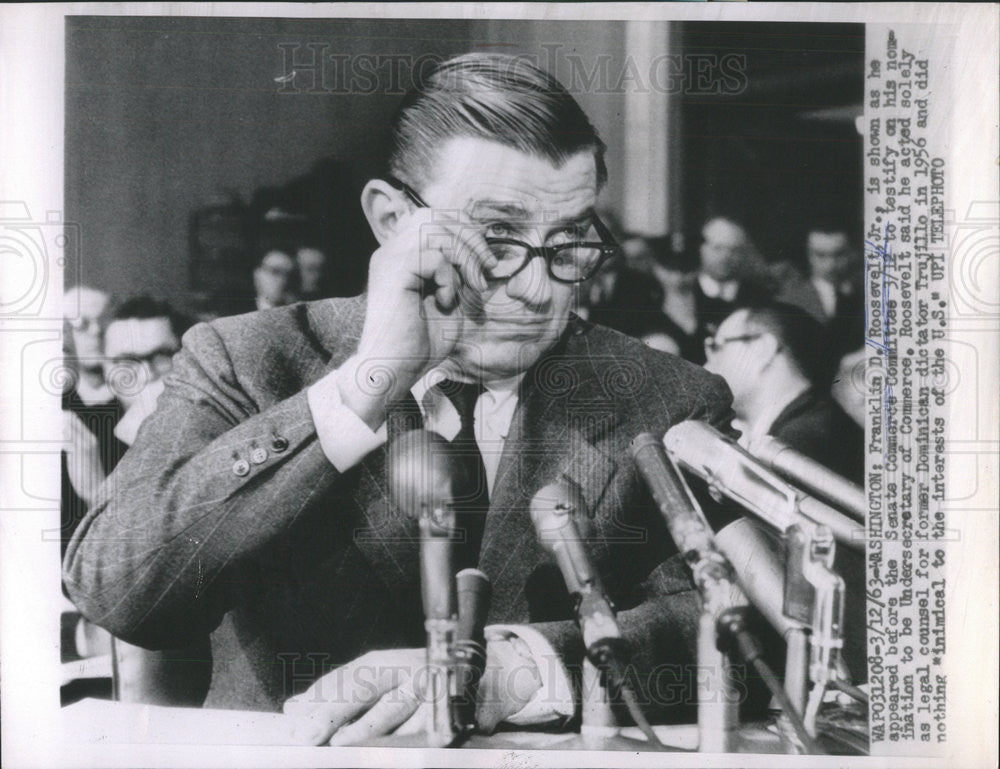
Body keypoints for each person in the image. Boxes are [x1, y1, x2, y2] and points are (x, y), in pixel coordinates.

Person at [64, 54, 742, 742]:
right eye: (498, 238)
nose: (541, 290)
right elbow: (118, 587)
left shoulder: (664, 397)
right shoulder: (246, 359)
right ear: (392, 220)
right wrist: (369, 380)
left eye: (569, 242)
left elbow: (746, 636)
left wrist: (524, 666)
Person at [702, 303, 866, 681]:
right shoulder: (813, 426)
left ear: (761, 349)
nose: (705, 360)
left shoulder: (806, 441)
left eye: (716, 345)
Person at [659, 217, 773, 363]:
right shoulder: (685, 292)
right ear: (702, 248)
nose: (725, 257)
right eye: (718, 248)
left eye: (734, 250)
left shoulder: (758, 296)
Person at [776, 225, 864, 356]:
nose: (831, 265)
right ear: (808, 255)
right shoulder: (788, 302)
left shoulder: (867, 296)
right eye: (821, 255)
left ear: (852, 253)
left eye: (839, 254)